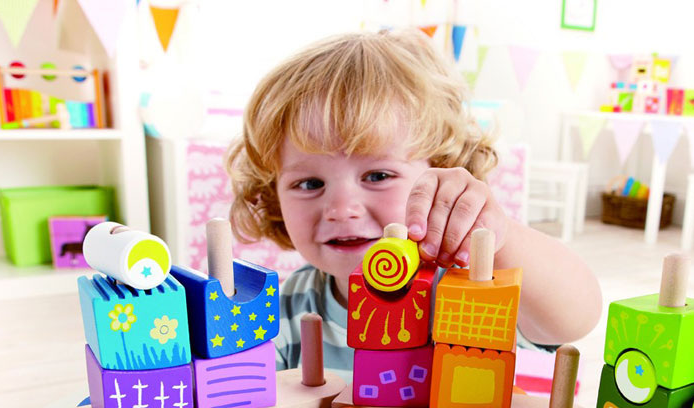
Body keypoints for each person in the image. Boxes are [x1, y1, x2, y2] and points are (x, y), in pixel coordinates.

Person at [226, 29, 601, 379]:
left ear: (441, 171)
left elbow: (574, 318)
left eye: (377, 176)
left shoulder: (465, 289)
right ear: (273, 196)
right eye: (309, 184)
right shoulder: (286, 308)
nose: (341, 209)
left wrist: (498, 237)